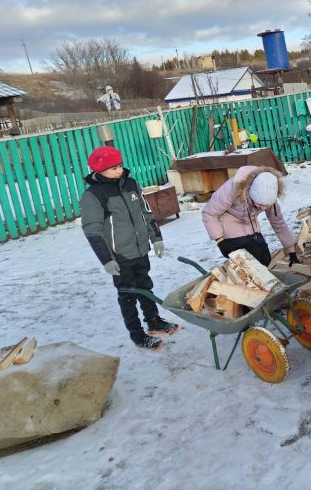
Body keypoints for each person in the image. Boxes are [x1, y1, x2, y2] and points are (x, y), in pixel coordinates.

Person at [79, 146, 178, 351]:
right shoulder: (93, 195)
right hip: (119, 256)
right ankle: (137, 334)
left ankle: (154, 321)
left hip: (141, 249)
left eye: (120, 165)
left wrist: (156, 238)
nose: (119, 170)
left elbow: (146, 213)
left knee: (145, 286)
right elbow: (93, 230)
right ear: (99, 170)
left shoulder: (131, 184)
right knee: (127, 295)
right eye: (113, 168)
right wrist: (107, 259)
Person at [202, 166, 298, 267]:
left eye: (267, 205)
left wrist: (290, 249)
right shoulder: (231, 190)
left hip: (250, 226)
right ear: (251, 193)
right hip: (228, 226)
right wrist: (220, 241)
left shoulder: (269, 194)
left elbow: (278, 222)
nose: (263, 208)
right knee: (252, 262)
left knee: (266, 260)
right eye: (259, 204)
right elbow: (209, 214)